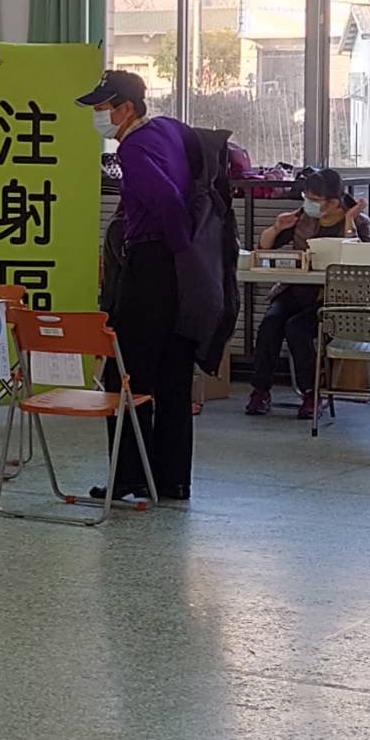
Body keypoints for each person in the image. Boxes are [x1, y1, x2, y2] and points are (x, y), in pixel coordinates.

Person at [79, 70, 235, 504]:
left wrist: (177, 246)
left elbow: (165, 199)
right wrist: (187, 258)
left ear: (126, 108)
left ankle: (128, 475)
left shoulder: (133, 147)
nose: (98, 116)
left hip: (151, 266)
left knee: (126, 375)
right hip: (182, 273)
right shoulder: (170, 130)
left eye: (102, 108)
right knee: (173, 377)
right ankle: (172, 480)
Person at [246, 168, 370, 420]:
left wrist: (348, 222)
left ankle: (311, 394)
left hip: (330, 298)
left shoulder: (359, 221)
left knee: (297, 327)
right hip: (294, 290)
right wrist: (276, 227)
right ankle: (260, 391)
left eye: (314, 198)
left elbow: (360, 259)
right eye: (307, 196)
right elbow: (264, 248)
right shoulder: (302, 216)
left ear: (333, 202)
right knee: (271, 322)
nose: (308, 202)